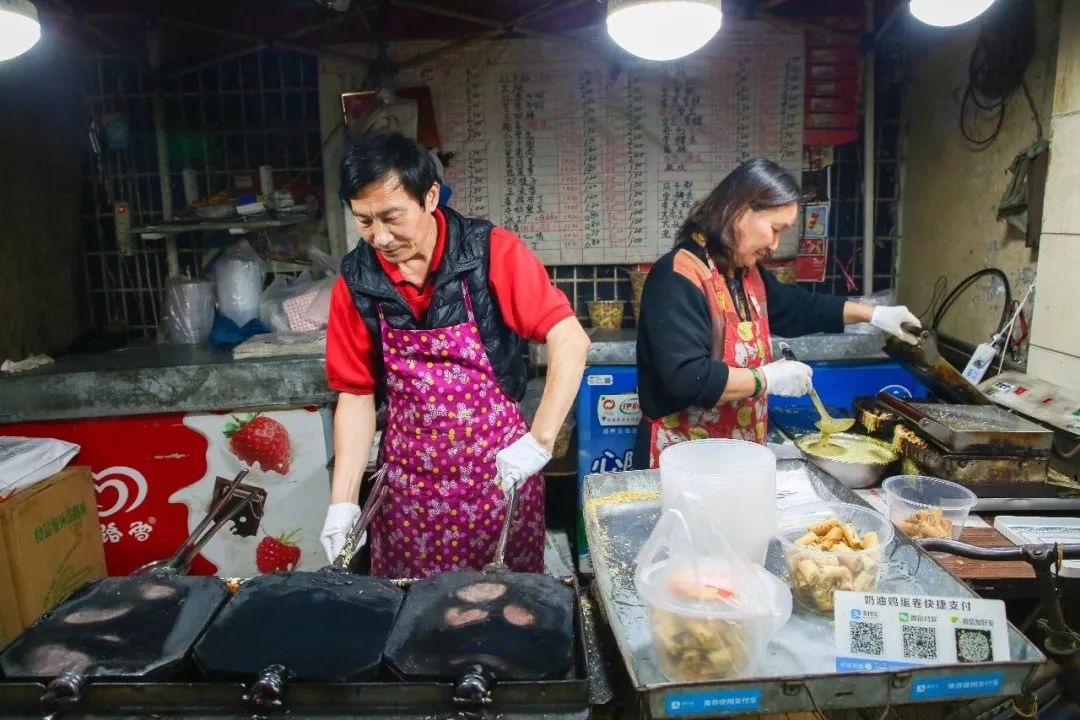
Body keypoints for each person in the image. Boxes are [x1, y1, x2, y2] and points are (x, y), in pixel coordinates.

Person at [321, 132, 590, 577]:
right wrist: (343, 503)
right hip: (410, 492)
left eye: (391, 217)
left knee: (507, 601)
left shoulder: (490, 252)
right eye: (364, 221)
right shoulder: (356, 282)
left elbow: (569, 338)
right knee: (415, 606)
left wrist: (539, 440)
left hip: (499, 476)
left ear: (430, 197)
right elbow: (355, 394)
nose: (380, 237)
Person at [635, 158, 920, 467]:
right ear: (738, 210)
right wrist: (766, 379)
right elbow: (686, 378)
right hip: (681, 459)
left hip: (736, 456)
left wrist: (874, 315)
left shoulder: (744, 273)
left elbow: (797, 307)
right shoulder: (678, 275)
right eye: (774, 229)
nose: (774, 245)